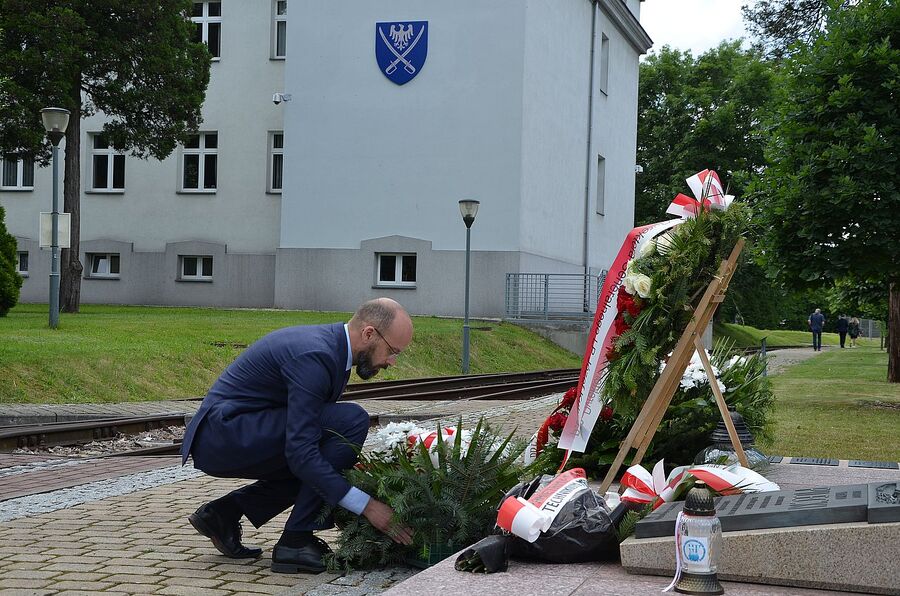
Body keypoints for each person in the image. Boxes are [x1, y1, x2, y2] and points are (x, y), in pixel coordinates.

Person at [180, 298, 415, 574]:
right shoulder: (316, 356)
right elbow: (301, 453)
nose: (392, 362)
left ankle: (224, 513)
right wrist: (368, 507)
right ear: (368, 334)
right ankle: (296, 541)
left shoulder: (333, 350)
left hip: (236, 432)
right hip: (224, 435)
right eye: (392, 351)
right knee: (350, 422)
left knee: (325, 461)